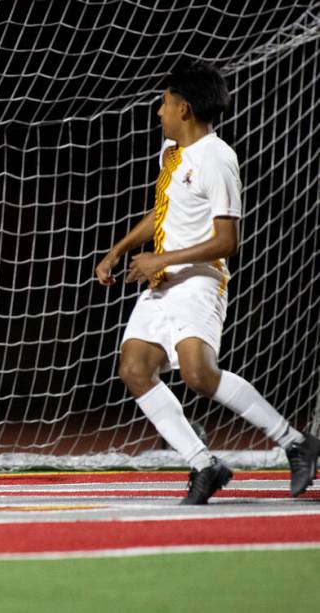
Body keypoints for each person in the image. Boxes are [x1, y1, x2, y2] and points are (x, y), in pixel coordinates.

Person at [95, 60, 319, 505]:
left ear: (186, 108)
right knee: (135, 369)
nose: (159, 111)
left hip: (200, 280)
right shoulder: (173, 154)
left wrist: (162, 256)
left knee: (198, 374)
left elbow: (226, 241)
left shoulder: (218, 159)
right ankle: (204, 464)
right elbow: (165, 214)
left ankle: (295, 442)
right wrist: (119, 249)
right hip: (162, 281)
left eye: (164, 103)